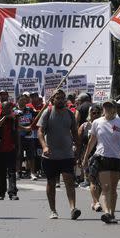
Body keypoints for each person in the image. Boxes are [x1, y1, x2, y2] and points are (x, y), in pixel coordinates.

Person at [82, 101, 120, 224]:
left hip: (116, 158)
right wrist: (86, 157)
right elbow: (92, 141)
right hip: (102, 156)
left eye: (110, 106)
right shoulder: (97, 122)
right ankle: (107, 213)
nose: (107, 108)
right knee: (105, 187)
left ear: (115, 108)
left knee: (113, 188)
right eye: (105, 106)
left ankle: (112, 213)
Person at [38, 90, 81, 220]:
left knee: (69, 180)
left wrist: (78, 149)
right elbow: (40, 132)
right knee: (51, 183)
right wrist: (44, 146)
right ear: (53, 100)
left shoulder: (69, 113)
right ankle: (53, 210)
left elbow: (74, 131)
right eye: (58, 98)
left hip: (67, 154)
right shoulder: (48, 112)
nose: (61, 100)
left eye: (63, 98)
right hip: (50, 155)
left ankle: (73, 208)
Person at [0, 101, 19, 201]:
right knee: (1, 171)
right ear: (1, 108)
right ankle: (1, 192)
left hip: (11, 147)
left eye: (10, 108)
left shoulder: (14, 117)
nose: (9, 110)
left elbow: (17, 131)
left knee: (12, 171)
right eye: (6, 108)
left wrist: (18, 147)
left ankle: (12, 193)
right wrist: (4, 118)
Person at [16, 94, 39, 180]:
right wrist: (24, 128)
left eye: (24, 100)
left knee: (31, 155)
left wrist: (31, 127)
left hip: (29, 136)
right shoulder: (14, 110)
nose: (23, 102)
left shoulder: (30, 110)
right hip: (18, 136)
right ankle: (18, 172)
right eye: (21, 100)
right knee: (18, 154)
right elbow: (15, 124)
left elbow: (36, 118)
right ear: (18, 101)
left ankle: (32, 173)